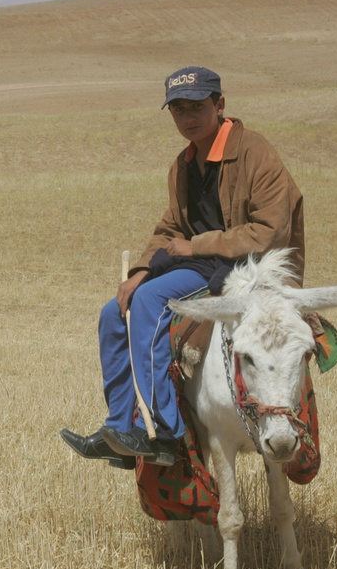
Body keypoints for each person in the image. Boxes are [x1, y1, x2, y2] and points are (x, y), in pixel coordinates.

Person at [60, 66, 305, 470]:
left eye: (197, 106)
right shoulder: (183, 165)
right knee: (113, 311)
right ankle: (121, 428)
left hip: (248, 268)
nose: (187, 116)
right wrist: (140, 269)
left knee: (151, 300)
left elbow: (270, 231)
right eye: (178, 109)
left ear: (219, 105)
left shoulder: (255, 153)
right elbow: (170, 227)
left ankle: (161, 431)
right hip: (203, 262)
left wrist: (196, 245)